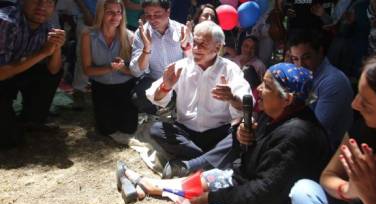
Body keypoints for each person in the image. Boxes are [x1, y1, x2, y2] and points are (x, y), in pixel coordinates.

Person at [77, 62, 330, 204]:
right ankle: (148, 184)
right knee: (213, 176)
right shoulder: (273, 115)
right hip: (250, 187)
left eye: (266, 85)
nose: (259, 89)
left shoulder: (297, 135)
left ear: (288, 99)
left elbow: (264, 194)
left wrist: (212, 198)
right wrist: (245, 141)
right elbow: (249, 165)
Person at [289, 51, 376, 204]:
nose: (354, 104)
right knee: (304, 191)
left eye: (366, 104)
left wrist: (372, 197)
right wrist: (351, 189)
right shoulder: (365, 128)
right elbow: (328, 176)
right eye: (358, 94)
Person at [146, 21, 252, 179]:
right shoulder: (181, 66)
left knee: (240, 134)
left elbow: (247, 103)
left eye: (202, 45)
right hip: (186, 133)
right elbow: (153, 95)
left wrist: (231, 97)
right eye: (194, 43)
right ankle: (212, 160)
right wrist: (166, 87)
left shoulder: (230, 69)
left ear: (217, 48)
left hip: (219, 133)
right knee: (155, 129)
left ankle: (189, 166)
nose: (195, 49)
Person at [0, 0, 65, 149]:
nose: (42, 7)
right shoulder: (6, 21)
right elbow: (1, 73)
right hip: (3, 76)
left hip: (15, 74)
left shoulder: (48, 27)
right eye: (36, 0)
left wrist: (57, 47)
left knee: (50, 74)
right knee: (8, 141)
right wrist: (43, 52)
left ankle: (31, 119)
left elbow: (54, 70)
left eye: (49, 3)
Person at [81, 0, 138, 144]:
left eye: (119, 12)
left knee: (129, 128)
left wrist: (122, 68)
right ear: (101, 13)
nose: (116, 17)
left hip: (125, 86)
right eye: (110, 12)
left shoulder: (129, 36)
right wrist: (110, 68)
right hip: (101, 87)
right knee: (106, 130)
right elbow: (87, 70)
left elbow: (135, 72)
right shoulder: (88, 36)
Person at [288, 29, 353, 153]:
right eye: (295, 59)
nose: (300, 65)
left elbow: (314, 131)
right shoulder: (304, 77)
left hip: (327, 155)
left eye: (306, 57)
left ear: (320, 51)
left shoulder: (333, 82)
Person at [129, 0, 188, 114]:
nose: (152, 19)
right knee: (138, 97)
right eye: (148, 15)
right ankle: (156, 112)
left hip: (180, 80)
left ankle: (175, 106)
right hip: (154, 80)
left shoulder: (181, 30)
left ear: (168, 12)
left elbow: (194, 62)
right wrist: (147, 48)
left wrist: (187, 47)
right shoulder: (141, 33)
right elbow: (136, 72)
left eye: (157, 14)